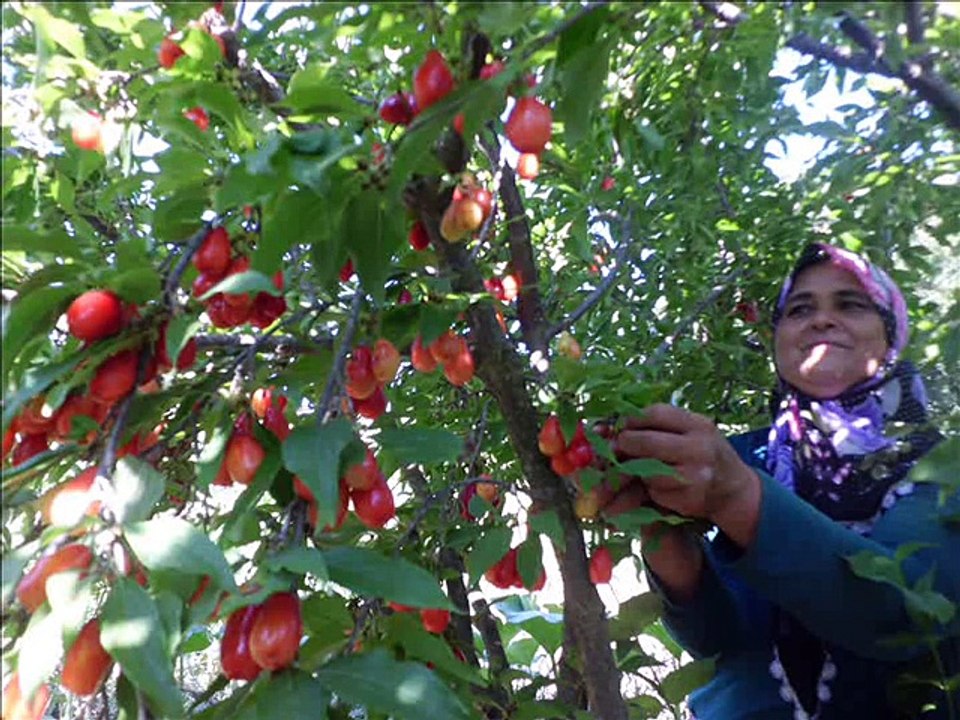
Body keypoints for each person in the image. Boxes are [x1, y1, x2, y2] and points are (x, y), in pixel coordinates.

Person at [601, 243, 959, 719]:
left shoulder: (943, 466)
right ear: (777, 339)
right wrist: (664, 539)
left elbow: (904, 613)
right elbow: (715, 641)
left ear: (892, 332)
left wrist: (736, 495)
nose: (821, 320)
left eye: (850, 304)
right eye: (799, 309)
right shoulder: (742, 455)